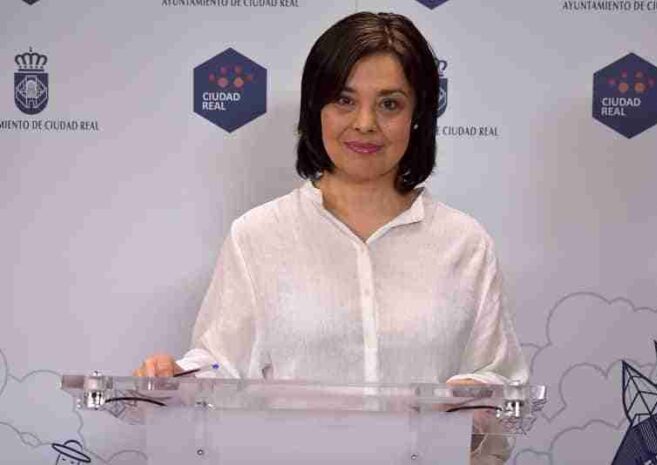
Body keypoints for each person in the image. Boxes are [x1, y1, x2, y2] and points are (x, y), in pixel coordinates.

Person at [134, 11, 528, 463]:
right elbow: (220, 370)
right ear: (315, 109)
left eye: (390, 104)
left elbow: (501, 386)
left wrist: (477, 400)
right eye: (344, 100)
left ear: (419, 115)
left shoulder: (465, 243)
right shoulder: (258, 236)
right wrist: (173, 382)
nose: (365, 123)